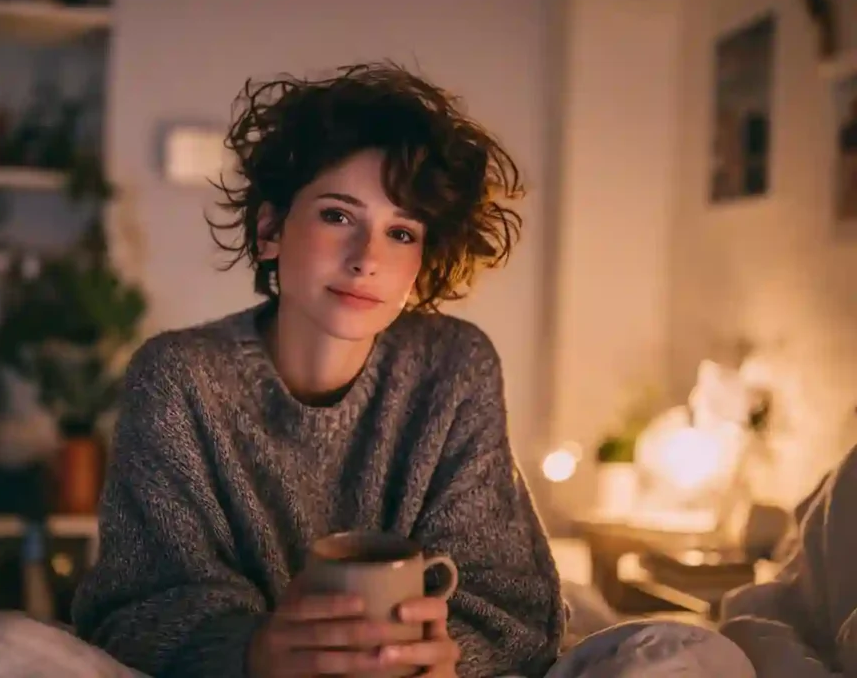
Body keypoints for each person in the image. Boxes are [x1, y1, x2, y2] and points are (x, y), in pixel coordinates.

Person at [70, 62, 565, 678]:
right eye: (338, 216)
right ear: (271, 229)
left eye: (402, 232)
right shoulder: (178, 377)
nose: (367, 260)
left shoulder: (456, 367)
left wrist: (444, 660)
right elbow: (135, 607)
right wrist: (251, 652)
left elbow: (512, 605)